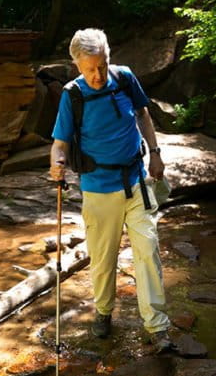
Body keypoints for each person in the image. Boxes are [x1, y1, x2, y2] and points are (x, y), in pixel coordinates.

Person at [49, 28, 171, 343]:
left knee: (148, 250)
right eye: (90, 68)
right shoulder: (72, 95)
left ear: (108, 58)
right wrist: (57, 163)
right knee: (103, 259)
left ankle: (157, 327)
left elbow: (143, 114)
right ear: (77, 65)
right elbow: (60, 144)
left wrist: (155, 153)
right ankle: (104, 310)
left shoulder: (125, 78)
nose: (99, 74)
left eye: (102, 65)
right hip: (98, 188)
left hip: (136, 180)